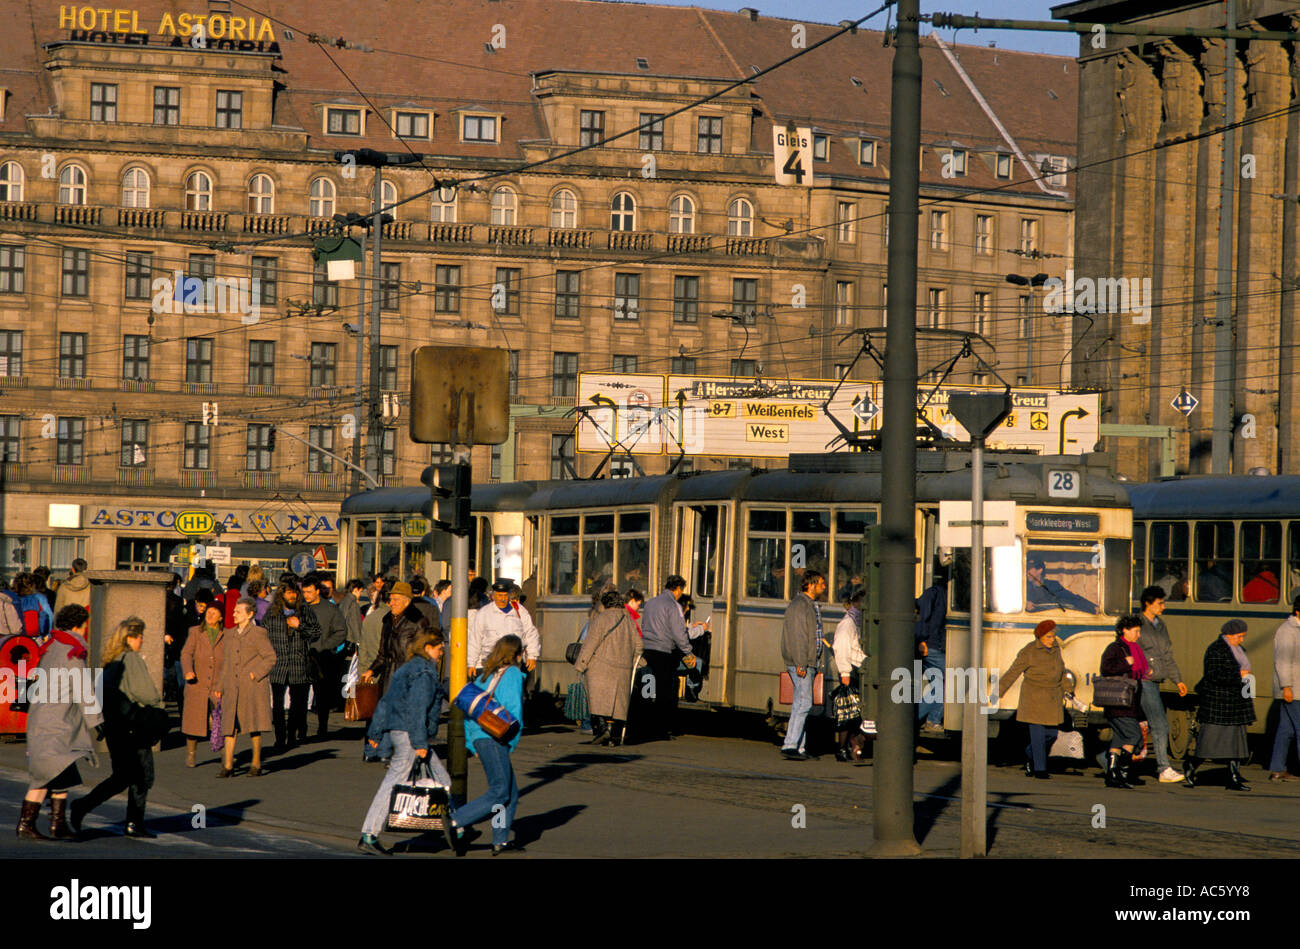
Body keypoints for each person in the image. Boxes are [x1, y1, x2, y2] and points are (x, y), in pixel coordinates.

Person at [358, 630, 449, 856]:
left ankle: (457, 826)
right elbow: (417, 710)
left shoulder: (405, 669)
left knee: (442, 778)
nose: (442, 651)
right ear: (428, 647)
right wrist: (420, 742)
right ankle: (369, 834)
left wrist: (375, 734)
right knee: (395, 781)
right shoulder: (425, 673)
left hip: (401, 732)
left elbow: (386, 702)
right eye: (439, 648)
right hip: (412, 735)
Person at [70, 617, 162, 838]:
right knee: (142, 775)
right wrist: (157, 702)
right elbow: (148, 694)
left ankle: (84, 806)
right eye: (140, 636)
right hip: (134, 725)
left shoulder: (111, 661)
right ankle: (133, 822)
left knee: (122, 776)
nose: (142, 640)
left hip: (114, 726)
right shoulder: (131, 659)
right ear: (130, 638)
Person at [17, 604, 102, 841]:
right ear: (79, 625)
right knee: (47, 774)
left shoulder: (51, 646)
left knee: (59, 772)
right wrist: (97, 721)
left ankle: (57, 823)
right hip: (58, 722)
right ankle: (28, 823)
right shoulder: (73, 651)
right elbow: (83, 689)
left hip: (42, 717)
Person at [447, 635, 526, 856]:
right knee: (500, 791)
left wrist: (474, 745)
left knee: (510, 793)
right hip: (497, 738)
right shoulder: (512, 674)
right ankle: (456, 820)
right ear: (517, 654)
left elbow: (470, 714)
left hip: (481, 738)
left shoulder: (484, 675)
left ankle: (500, 840)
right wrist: (511, 741)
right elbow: (513, 711)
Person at [1184, 619, 1255, 791]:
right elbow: (1214, 675)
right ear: (1229, 635)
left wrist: (1248, 698)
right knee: (1210, 742)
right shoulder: (1216, 650)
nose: (1242, 640)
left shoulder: (1240, 650)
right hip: (1218, 703)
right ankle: (1192, 766)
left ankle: (1233, 777)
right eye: (1239, 636)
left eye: (1243, 636)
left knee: (1236, 743)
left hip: (1236, 703)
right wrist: (1239, 676)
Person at [998, 620, 1070, 779]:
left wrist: (1069, 690)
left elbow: (1062, 671)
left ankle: (1030, 754)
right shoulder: (1029, 651)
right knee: (1037, 735)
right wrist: (999, 690)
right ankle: (1040, 770)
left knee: (1051, 734)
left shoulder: (1056, 650)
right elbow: (1013, 671)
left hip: (1053, 698)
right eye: (1049, 637)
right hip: (1034, 698)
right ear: (1040, 637)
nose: (1052, 640)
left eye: (1053, 636)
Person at [214, 598, 276, 777]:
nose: (234, 614)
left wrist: (255, 674)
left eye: (238, 612)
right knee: (229, 725)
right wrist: (220, 685)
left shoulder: (258, 633)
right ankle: (227, 766)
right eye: (234, 611)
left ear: (249, 615)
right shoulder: (229, 633)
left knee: (253, 725)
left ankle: (256, 762)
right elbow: (226, 662)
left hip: (252, 687)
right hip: (232, 686)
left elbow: (270, 657)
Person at [574, 588, 641, 747]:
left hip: (601, 667)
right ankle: (613, 734)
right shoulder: (628, 619)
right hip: (623, 669)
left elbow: (591, 643)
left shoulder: (601, 618)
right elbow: (639, 645)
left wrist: (581, 664)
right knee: (616, 703)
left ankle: (603, 729)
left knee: (599, 701)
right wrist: (634, 662)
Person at [1137, 585, 1189, 783]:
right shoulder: (1137, 624)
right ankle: (1163, 768)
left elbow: (1167, 655)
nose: (1163, 607)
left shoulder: (1161, 625)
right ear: (1148, 604)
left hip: (1156, 680)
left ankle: (1109, 759)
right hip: (1143, 680)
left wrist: (1178, 680)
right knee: (1160, 724)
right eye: (1160, 603)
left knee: (1139, 726)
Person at [263, 579, 321, 752]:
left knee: (298, 704)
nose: (292, 596)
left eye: (295, 592)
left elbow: (316, 633)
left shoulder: (305, 611)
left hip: (298, 664)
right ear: (282, 594)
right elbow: (263, 638)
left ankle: (291, 736)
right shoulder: (272, 614)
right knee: (278, 704)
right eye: (289, 592)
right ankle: (280, 737)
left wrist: (300, 626)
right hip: (278, 665)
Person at [641, 575, 696, 742]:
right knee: (665, 691)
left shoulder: (650, 603)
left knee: (648, 690)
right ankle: (661, 729)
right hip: (664, 652)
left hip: (647, 650)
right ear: (678, 589)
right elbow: (679, 633)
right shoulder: (673, 606)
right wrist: (688, 652)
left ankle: (645, 724)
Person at [780, 569, 827, 761]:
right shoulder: (801, 606)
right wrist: (801, 663)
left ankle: (799, 746)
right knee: (804, 702)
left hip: (809, 662)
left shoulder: (809, 604)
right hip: (802, 663)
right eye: (821, 584)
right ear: (811, 584)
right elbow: (799, 637)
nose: (824, 587)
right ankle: (790, 744)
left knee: (801, 702)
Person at [1098, 614, 1148, 789]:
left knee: (1119, 739)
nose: (1138, 635)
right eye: (1136, 631)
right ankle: (1121, 772)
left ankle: (1113, 775)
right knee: (1133, 736)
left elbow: (1139, 671)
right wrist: (1126, 664)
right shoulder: (1116, 648)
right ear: (1124, 630)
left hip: (1129, 703)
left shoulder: (1133, 648)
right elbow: (1106, 668)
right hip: (1119, 702)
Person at [302, 572, 348, 740]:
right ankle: (300, 728)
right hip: (301, 657)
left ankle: (322, 727)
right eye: (304, 592)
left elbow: (341, 632)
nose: (306, 595)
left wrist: (324, 645)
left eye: (309, 592)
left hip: (322, 659)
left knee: (322, 696)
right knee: (300, 695)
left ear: (317, 591)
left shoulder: (330, 609)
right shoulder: (300, 608)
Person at [365, 581, 431, 697]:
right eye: (391, 599)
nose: (391, 603)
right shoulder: (387, 621)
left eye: (396, 600)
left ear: (407, 601)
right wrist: (372, 670)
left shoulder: (418, 621)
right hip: (387, 680)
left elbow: (423, 656)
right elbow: (382, 655)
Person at [180, 602, 226, 768]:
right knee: (194, 722)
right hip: (197, 684)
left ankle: (225, 756)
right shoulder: (195, 632)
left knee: (219, 722)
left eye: (215, 612)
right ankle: (191, 754)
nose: (210, 614)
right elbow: (186, 653)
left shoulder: (226, 635)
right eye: (209, 611)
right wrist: (188, 670)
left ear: (221, 617)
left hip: (217, 684)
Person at [467, 579, 541, 677]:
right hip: (491, 665)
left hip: (513, 664)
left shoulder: (519, 611)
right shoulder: (484, 613)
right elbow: (475, 639)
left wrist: (532, 655)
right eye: (499, 595)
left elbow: (530, 632)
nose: (503, 599)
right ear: (493, 596)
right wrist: (471, 663)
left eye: (505, 595)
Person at [832, 585, 866, 762]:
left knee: (853, 712)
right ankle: (842, 748)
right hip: (851, 669)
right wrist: (845, 672)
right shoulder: (848, 623)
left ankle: (849, 746)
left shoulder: (856, 620)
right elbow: (841, 648)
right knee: (848, 712)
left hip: (856, 668)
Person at [1269, 596, 1300, 782]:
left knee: (1285, 730)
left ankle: (1277, 768)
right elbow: (1282, 661)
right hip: (1294, 689)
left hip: (1296, 688)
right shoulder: (1287, 631)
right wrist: (1286, 686)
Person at [915, 570, 949, 734]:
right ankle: (921, 718)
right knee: (951, 679)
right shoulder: (934, 594)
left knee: (940, 687)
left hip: (935, 646)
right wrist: (921, 640)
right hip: (931, 646)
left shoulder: (938, 594)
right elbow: (922, 618)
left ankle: (930, 720)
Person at [1026, 557, 1097, 613]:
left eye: (1029, 569)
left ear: (1039, 570)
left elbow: (1072, 598)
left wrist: (1092, 607)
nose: (1026, 572)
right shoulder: (1024, 587)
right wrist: (1024, 605)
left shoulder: (1052, 585)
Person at [12, 572, 54, 639]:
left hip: (16, 637)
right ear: (32, 585)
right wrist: (48, 634)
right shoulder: (39, 598)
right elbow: (50, 616)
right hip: (37, 636)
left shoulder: (12, 599)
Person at [338, 578, 365, 646]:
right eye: (360, 591)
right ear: (355, 590)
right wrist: (359, 642)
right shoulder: (353, 604)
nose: (361, 594)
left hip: (341, 638)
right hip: (350, 640)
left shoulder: (343, 601)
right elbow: (355, 624)